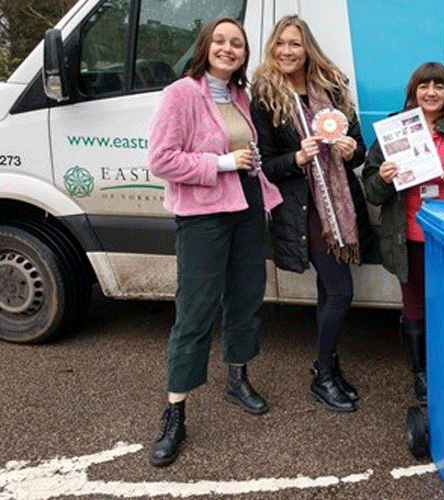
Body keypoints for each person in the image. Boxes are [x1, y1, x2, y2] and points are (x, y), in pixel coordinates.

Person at [147, 17, 283, 466]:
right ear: (205, 46)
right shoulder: (181, 94)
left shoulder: (241, 95)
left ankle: (237, 376)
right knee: (196, 310)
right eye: (220, 41)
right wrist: (222, 162)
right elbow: (161, 160)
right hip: (203, 214)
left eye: (237, 44)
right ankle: (175, 411)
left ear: (244, 55)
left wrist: (248, 162)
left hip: (245, 205)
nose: (228, 49)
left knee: (246, 296)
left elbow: (243, 151)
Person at [251, 15, 371, 413]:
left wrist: (353, 151)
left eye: (295, 44)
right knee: (341, 291)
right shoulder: (266, 97)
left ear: (308, 50)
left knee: (329, 290)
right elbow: (264, 164)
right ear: (273, 47)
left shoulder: (332, 89)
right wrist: (295, 158)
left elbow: (361, 150)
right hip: (305, 210)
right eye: (281, 43)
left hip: (339, 205)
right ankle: (323, 374)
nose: (287, 50)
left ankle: (328, 366)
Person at [362, 62, 444, 404]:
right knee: (416, 305)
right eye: (424, 86)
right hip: (409, 238)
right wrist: (384, 177)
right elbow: (372, 190)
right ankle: (421, 375)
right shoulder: (394, 132)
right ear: (413, 91)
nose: (431, 92)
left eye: (439, 85)